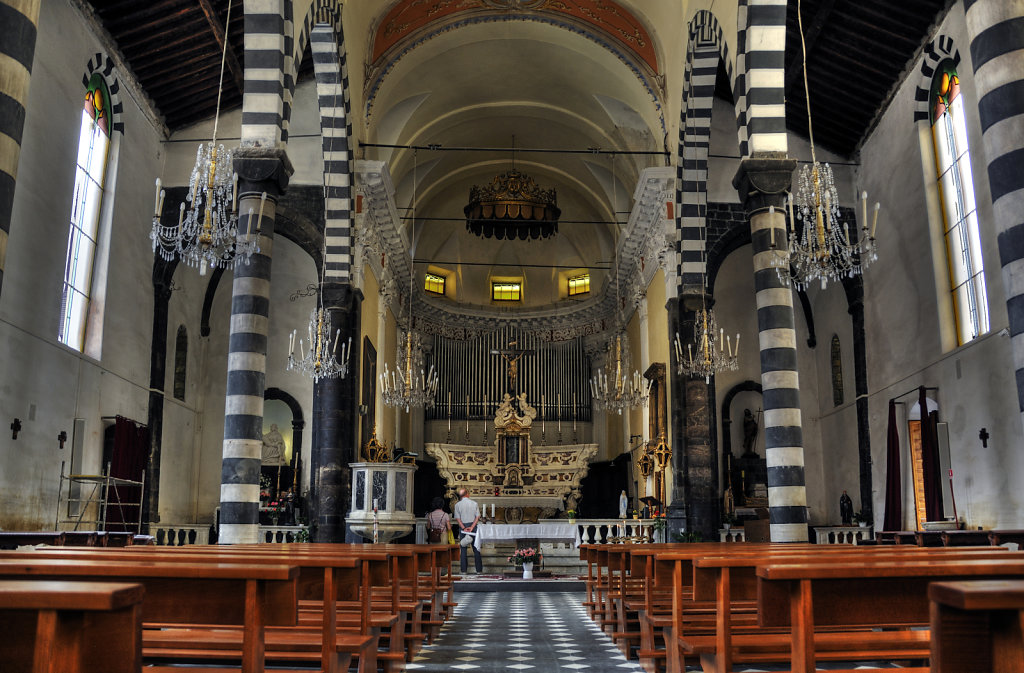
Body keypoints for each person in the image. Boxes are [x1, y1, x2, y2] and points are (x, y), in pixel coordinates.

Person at [454, 487, 483, 573]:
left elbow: (458, 518)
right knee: (476, 549)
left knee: (463, 549)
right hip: (473, 527)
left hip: (463, 527)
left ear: (460, 496)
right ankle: (479, 570)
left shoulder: (457, 505)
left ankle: (463, 571)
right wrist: (472, 527)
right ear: (467, 494)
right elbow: (477, 517)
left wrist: (464, 528)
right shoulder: (474, 503)